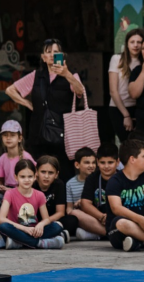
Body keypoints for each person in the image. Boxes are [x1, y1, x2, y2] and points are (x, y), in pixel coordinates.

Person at [5, 38, 85, 181]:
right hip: (39, 134)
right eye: (48, 52)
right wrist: (27, 103)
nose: (52, 55)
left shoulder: (71, 74)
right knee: (38, 172)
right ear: (43, 57)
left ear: (62, 55)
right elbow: (10, 90)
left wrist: (66, 74)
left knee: (64, 172)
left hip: (64, 136)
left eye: (56, 52)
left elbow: (80, 91)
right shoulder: (36, 76)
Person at [0, 158, 66, 250]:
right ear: (16, 177)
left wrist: (40, 225)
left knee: (57, 226)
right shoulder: (9, 194)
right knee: (3, 227)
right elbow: (1, 219)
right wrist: (25, 229)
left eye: (30, 176)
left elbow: (46, 219)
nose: (26, 180)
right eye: (22, 177)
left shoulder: (39, 195)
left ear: (35, 176)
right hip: (18, 230)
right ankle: (40, 243)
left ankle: (19, 243)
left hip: (34, 231)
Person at [109, 27, 144, 144]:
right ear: (127, 44)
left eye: (139, 42)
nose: (135, 45)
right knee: (127, 144)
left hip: (139, 108)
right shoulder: (117, 59)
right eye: (132, 42)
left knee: (140, 144)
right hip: (118, 108)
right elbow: (113, 91)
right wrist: (126, 115)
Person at [76, 144, 118, 240]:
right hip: (99, 219)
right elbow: (85, 203)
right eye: (103, 162)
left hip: (118, 219)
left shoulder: (123, 177)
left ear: (118, 162)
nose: (106, 166)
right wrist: (101, 216)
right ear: (97, 162)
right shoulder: (92, 178)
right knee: (75, 214)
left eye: (110, 162)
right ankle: (111, 234)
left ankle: (101, 234)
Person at [0, 120, 34, 211]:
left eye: (12, 135)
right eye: (5, 135)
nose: (8, 138)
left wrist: (13, 191)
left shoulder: (26, 157)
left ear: (19, 138)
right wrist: (0, 187)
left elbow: (33, 181)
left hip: (24, 192)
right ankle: (4, 220)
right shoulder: (3, 158)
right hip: (7, 192)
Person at [62, 147, 99, 239]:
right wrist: (74, 210)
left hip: (95, 215)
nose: (91, 166)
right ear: (77, 165)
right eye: (87, 162)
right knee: (74, 224)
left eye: (93, 162)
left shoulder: (98, 180)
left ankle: (97, 233)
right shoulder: (70, 183)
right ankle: (97, 234)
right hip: (80, 217)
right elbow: (69, 208)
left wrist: (84, 202)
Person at [34, 155, 67, 235]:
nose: (46, 176)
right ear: (37, 172)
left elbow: (60, 212)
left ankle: (48, 233)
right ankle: (56, 234)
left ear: (56, 174)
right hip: (34, 220)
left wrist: (44, 222)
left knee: (72, 220)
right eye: (43, 172)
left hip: (53, 219)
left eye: (51, 173)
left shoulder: (59, 185)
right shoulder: (32, 185)